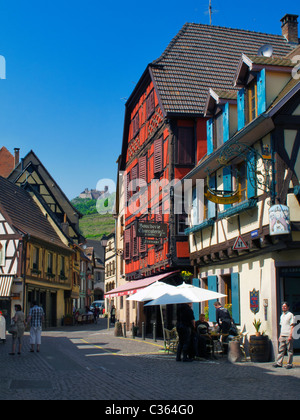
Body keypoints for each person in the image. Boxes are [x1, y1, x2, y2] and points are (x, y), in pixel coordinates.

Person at [273, 302, 296, 370]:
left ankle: (289, 363)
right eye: (283, 307)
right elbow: (281, 326)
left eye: (285, 306)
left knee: (289, 350)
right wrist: (280, 336)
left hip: (288, 334)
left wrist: (290, 336)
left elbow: (292, 326)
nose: (284, 308)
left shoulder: (290, 315)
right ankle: (279, 363)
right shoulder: (282, 316)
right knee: (281, 350)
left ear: (288, 307)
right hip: (282, 335)